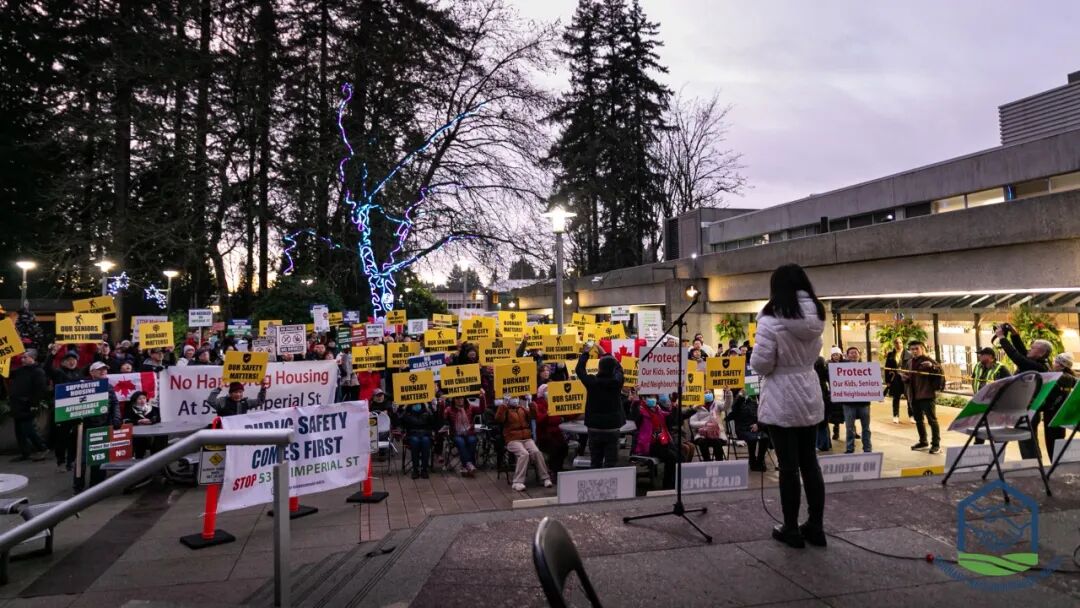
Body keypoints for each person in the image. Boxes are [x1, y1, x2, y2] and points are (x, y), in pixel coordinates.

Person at [749, 263, 827, 549]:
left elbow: (761, 363)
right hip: (808, 391)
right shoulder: (817, 314)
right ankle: (816, 527)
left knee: (788, 468)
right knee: (811, 463)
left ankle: (791, 528)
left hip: (782, 396)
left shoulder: (771, 319)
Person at [994, 323, 1052, 459]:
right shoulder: (1037, 361)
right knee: (1028, 442)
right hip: (1026, 410)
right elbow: (1023, 352)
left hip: (1028, 412)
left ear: (1042, 353)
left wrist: (1002, 338)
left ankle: (1032, 469)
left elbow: (1017, 357)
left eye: (1033, 348)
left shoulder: (1038, 366)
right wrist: (1014, 334)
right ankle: (1033, 467)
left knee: (1028, 444)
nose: (1029, 349)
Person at [576, 344, 625, 468]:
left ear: (599, 368)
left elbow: (579, 370)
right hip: (613, 428)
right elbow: (620, 369)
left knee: (595, 462)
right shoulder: (617, 382)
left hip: (594, 428)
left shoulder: (592, 382)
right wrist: (606, 354)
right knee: (610, 463)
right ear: (613, 369)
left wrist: (585, 353)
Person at [494, 395, 553, 491]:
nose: (515, 399)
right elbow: (498, 419)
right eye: (513, 398)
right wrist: (504, 404)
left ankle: (545, 478)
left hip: (526, 438)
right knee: (524, 454)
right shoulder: (505, 409)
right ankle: (517, 482)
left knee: (536, 452)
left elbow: (534, 416)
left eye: (516, 397)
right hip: (512, 439)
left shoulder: (521, 408)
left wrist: (530, 402)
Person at [902, 341, 943, 455]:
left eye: (916, 348)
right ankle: (923, 441)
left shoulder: (928, 360)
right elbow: (909, 377)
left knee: (932, 420)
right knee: (919, 420)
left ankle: (936, 445)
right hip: (913, 396)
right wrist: (905, 379)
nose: (914, 351)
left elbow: (939, 372)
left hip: (927, 395)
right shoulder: (909, 362)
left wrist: (933, 367)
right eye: (912, 349)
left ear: (922, 349)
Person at [9, 350, 50, 462]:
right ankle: (25, 453)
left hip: (27, 405)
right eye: (22, 357)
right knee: (19, 431)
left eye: (25, 357)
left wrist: (34, 404)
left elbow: (40, 390)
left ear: (33, 358)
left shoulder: (38, 372)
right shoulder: (20, 370)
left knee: (28, 429)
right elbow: (7, 373)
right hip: (17, 404)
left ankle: (42, 448)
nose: (22, 359)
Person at [47, 350, 84, 472]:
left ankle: (70, 461)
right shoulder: (58, 372)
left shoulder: (79, 373)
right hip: (62, 411)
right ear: (63, 362)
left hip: (76, 410)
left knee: (74, 437)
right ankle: (61, 461)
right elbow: (46, 368)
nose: (72, 362)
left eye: (74, 360)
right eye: (69, 360)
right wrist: (52, 353)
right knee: (61, 438)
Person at [631, 396, 677, 489]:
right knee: (671, 457)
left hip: (662, 441)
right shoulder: (641, 411)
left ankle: (675, 483)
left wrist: (674, 406)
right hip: (648, 445)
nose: (652, 399)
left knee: (679, 455)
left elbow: (670, 417)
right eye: (649, 397)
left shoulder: (658, 410)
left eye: (653, 397)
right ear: (643, 399)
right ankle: (668, 486)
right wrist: (636, 401)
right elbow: (634, 416)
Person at [1042, 353, 1076, 458]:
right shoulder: (1070, 377)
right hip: (1058, 413)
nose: (1054, 363)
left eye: (1056, 362)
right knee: (1057, 441)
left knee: (1052, 442)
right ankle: (1057, 463)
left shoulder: (1061, 377)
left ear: (1062, 365)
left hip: (1053, 413)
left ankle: (1055, 464)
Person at [728, 388, 770, 471]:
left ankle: (760, 460)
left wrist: (758, 425)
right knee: (752, 439)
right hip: (742, 429)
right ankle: (752, 459)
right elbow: (734, 409)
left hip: (754, 427)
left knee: (765, 437)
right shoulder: (737, 403)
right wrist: (740, 397)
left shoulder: (754, 403)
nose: (744, 390)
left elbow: (762, 416)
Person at [533, 383, 569, 479]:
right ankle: (553, 471)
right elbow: (539, 420)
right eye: (546, 391)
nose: (548, 392)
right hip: (544, 435)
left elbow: (565, 415)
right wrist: (547, 415)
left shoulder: (555, 401)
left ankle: (559, 468)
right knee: (555, 448)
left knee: (564, 447)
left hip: (557, 433)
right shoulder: (538, 404)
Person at [842, 347, 872, 454]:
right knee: (849, 428)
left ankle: (867, 448)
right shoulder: (841, 369)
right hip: (848, 403)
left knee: (866, 428)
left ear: (859, 355)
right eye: (851, 353)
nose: (854, 355)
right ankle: (850, 448)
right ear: (847, 355)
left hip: (864, 403)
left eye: (856, 353)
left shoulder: (867, 368)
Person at [399, 400, 438, 479]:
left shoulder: (427, 411)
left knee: (426, 441)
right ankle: (415, 470)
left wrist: (431, 410)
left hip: (425, 434)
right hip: (412, 434)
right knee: (415, 441)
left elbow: (435, 423)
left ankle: (424, 469)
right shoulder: (407, 412)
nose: (417, 405)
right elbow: (399, 422)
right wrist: (403, 409)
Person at [444, 396, 481, 476]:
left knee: (472, 440)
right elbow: (442, 416)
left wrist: (482, 397)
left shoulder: (470, 407)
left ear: (464, 399)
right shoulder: (449, 409)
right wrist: (441, 404)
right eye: (457, 398)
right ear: (454, 399)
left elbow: (481, 410)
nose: (460, 400)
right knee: (460, 442)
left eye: (461, 398)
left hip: (469, 432)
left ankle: (465, 466)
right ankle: (469, 464)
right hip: (456, 434)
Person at [125, 391, 164, 458]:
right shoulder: (130, 410)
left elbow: (158, 418)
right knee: (139, 444)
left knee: (160, 440)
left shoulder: (153, 408)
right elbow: (126, 421)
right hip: (138, 436)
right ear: (135, 400)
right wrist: (138, 421)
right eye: (139, 399)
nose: (142, 400)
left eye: (144, 398)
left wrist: (151, 421)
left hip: (152, 434)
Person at [690, 391, 727, 461]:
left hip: (717, 433)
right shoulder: (696, 407)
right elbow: (692, 423)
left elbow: (727, 406)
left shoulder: (717, 404)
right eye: (705, 392)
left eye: (709, 392)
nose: (707, 394)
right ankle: (707, 462)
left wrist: (728, 393)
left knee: (717, 442)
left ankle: (719, 463)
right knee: (702, 443)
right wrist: (705, 423)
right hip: (702, 434)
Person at [884, 338, 910, 423]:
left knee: (909, 397)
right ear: (894, 344)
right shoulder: (890, 354)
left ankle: (912, 415)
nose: (898, 344)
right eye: (896, 343)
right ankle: (895, 415)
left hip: (906, 379)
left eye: (900, 343)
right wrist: (887, 381)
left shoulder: (908, 354)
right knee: (896, 398)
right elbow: (886, 368)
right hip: (895, 379)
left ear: (903, 343)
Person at [827, 347, 845, 441]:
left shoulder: (845, 364)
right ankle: (836, 432)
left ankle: (853, 431)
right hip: (835, 392)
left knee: (849, 413)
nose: (835, 357)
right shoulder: (829, 365)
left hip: (845, 392)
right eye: (834, 355)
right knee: (836, 415)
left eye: (837, 355)